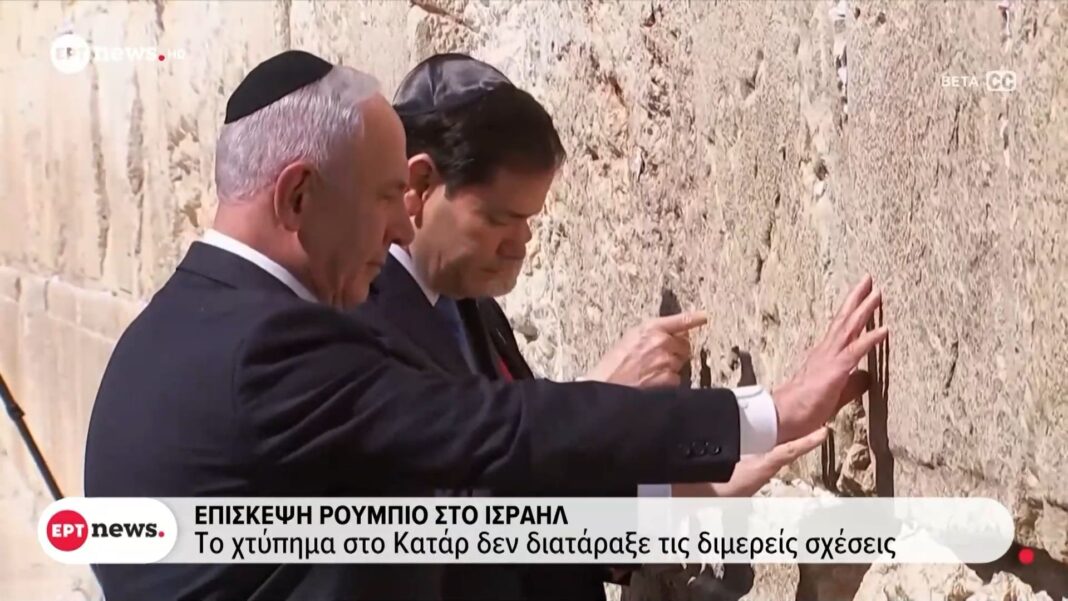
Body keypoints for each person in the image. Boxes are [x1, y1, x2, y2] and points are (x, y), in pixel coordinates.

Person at [83, 49, 886, 601]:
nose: (399, 225)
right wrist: (769, 411)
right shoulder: (267, 347)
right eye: (382, 197)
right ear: (298, 196)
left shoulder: (173, 333)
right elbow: (496, 440)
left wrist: (660, 501)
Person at [360, 53, 834, 601]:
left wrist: (674, 500)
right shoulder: (359, 324)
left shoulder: (470, 307)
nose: (519, 246)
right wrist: (602, 398)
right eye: (498, 219)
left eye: (529, 221)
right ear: (420, 183)